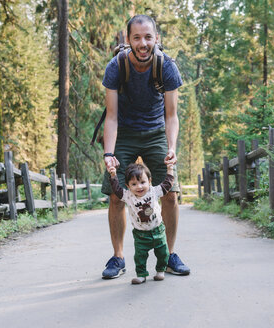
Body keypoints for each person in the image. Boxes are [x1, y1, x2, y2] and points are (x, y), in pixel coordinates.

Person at [101, 14, 190, 279]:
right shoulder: (116, 66)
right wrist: (109, 153)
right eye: (137, 38)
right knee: (116, 196)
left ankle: (169, 255)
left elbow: (171, 115)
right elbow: (112, 116)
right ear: (128, 40)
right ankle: (118, 258)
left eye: (148, 37)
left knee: (171, 193)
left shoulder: (167, 66)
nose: (143, 43)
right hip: (125, 132)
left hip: (155, 133)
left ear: (156, 39)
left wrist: (171, 147)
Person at [108, 162, 174, 284]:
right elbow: (117, 189)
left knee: (163, 252)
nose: (139, 187)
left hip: (158, 230)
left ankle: (161, 270)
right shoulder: (128, 196)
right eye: (134, 184)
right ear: (128, 186)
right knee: (140, 256)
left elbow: (167, 184)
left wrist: (170, 169)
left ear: (149, 181)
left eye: (142, 182)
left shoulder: (154, 191)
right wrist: (113, 176)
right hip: (140, 234)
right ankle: (141, 274)